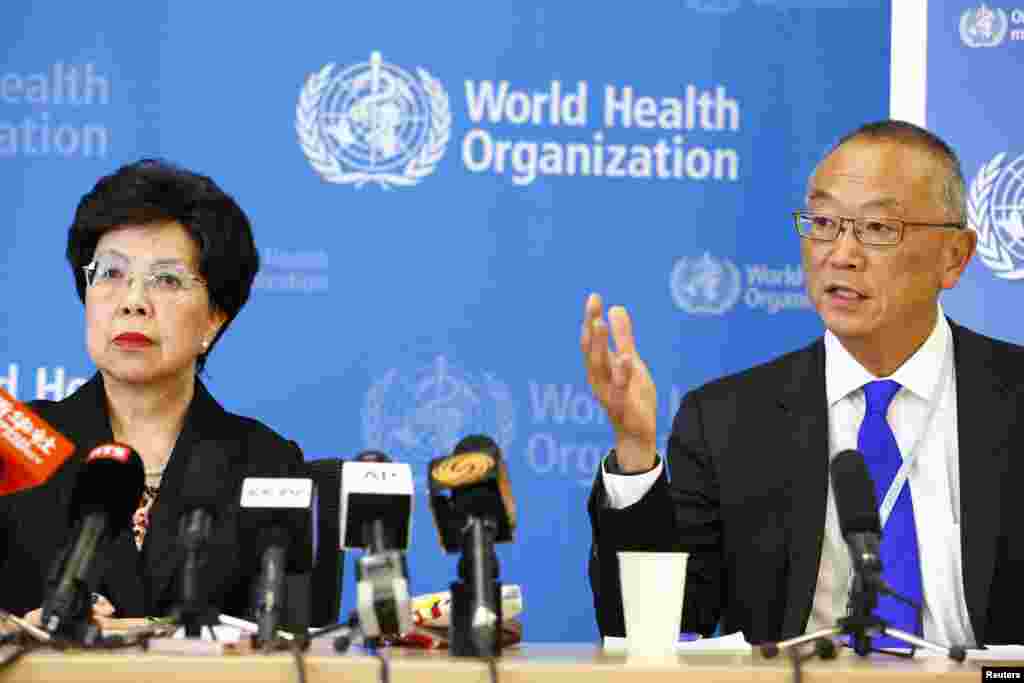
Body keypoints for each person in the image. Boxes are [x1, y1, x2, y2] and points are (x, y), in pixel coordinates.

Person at [583, 120, 1024, 647]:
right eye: (823, 222)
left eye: (878, 228)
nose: (841, 253)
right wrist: (635, 453)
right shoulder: (728, 421)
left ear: (954, 257)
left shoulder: (1012, 396)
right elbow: (651, 631)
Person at [0, 159, 303, 623]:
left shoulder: (266, 463)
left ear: (213, 319)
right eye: (111, 274)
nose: (133, 301)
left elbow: (286, 642)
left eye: (166, 279)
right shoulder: (18, 444)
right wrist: (22, 631)